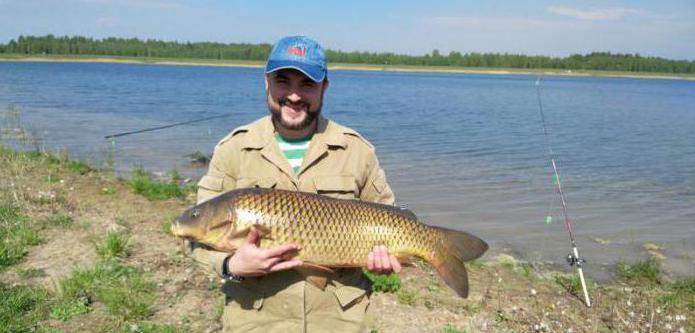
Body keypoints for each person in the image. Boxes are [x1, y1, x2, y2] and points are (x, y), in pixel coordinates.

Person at [189, 36, 402, 332]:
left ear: (324, 87)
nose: (293, 95)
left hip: (340, 319)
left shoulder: (356, 150)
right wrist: (231, 266)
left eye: (307, 85)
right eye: (283, 82)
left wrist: (383, 256)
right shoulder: (234, 149)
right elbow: (196, 236)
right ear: (267, 83)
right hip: (257, 318)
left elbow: (389, 220)